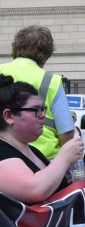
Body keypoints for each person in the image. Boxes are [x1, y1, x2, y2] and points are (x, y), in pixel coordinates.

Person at [0, 76, 85, 204]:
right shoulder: (2, 152)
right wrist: (64, 157)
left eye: (42, 109)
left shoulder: (32, 150)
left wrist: (71, 185)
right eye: (36, 110)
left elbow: (49, 187)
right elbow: (34, 190)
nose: (43, 115)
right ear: (9, 116)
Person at [0, 26, 76, 161]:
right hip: (43, 159)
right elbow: (67, 132)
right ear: (46, 53)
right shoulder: (50, 80)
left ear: (15, 48)